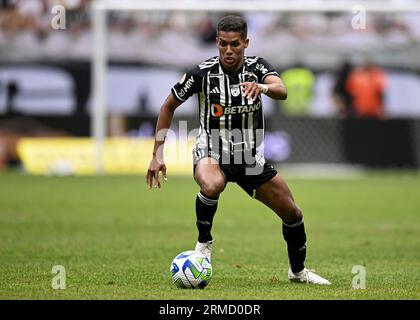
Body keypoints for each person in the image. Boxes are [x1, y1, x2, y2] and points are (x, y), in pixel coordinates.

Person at [146, 15, 331, 285]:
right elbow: (168, 106)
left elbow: (282, 90)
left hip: (248, 157)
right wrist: (156, 155)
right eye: (223, 44)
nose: (228, 51)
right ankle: (203, 246)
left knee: (293, 214)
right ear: (217, 42)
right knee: (212, 184)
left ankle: (298, 272)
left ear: (246, 42)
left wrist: (263, 87)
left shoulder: (258, 67)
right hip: (212, 150)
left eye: (235, 44)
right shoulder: (202, 73)